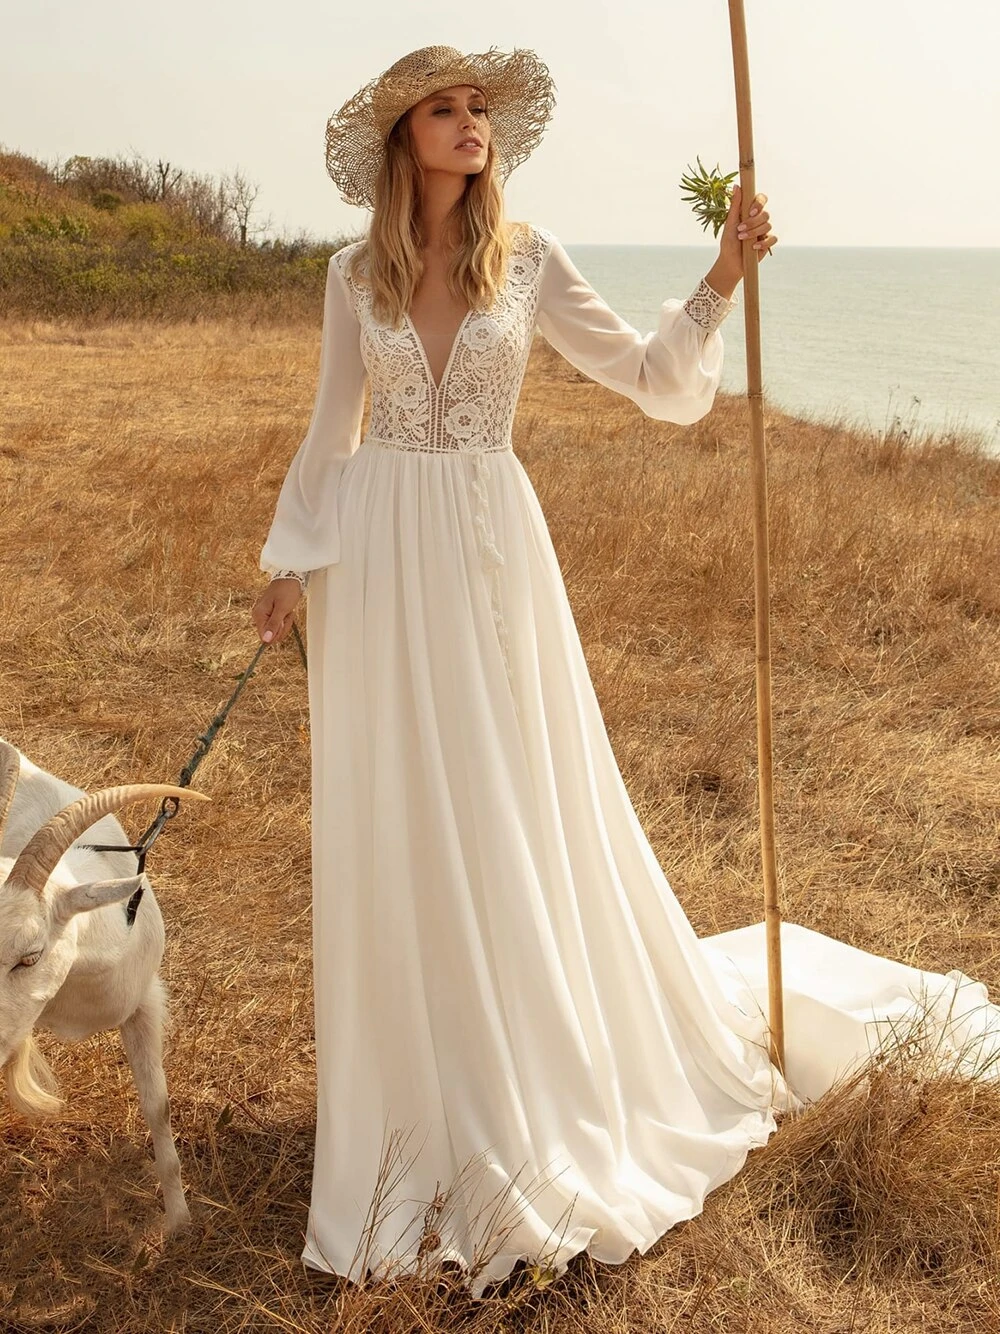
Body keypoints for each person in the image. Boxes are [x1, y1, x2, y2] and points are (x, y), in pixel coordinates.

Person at [249, 45, 999, 1298]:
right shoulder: (351, 276)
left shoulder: (525, 259)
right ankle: (417, 1086)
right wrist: (288, 560)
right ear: (402, 139)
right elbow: (336, 431)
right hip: (373, 567)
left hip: (488, 553)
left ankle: (529, 1072)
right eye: (446, 109)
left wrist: (719, 277)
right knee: (403, 813)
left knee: (505, 796)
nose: (471, 125)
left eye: (480, 109)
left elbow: (655, 385)